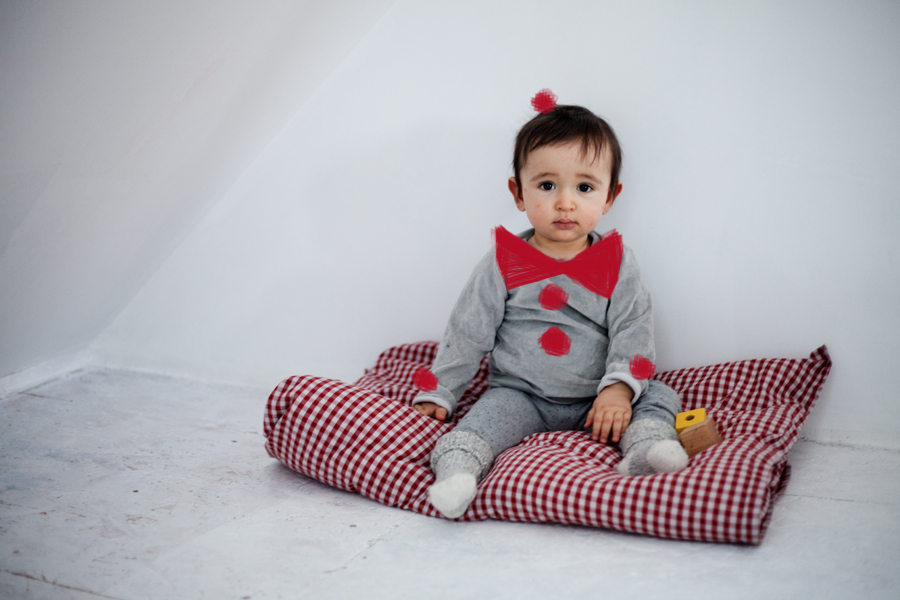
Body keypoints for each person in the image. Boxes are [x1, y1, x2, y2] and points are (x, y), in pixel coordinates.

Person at [412, 91, 688, 519]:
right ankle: (457, 471)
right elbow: (467, 330)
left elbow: (633, 327)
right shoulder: (503, 261)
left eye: (584, 187)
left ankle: (645, 449)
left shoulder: (617, 261)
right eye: (546, 185)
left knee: (660, 395)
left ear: (609, 197)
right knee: (484, 419)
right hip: (523, 395)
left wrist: (617, 391)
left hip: (597, 399)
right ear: (518, 193)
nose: (565, 202)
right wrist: (440, 390)